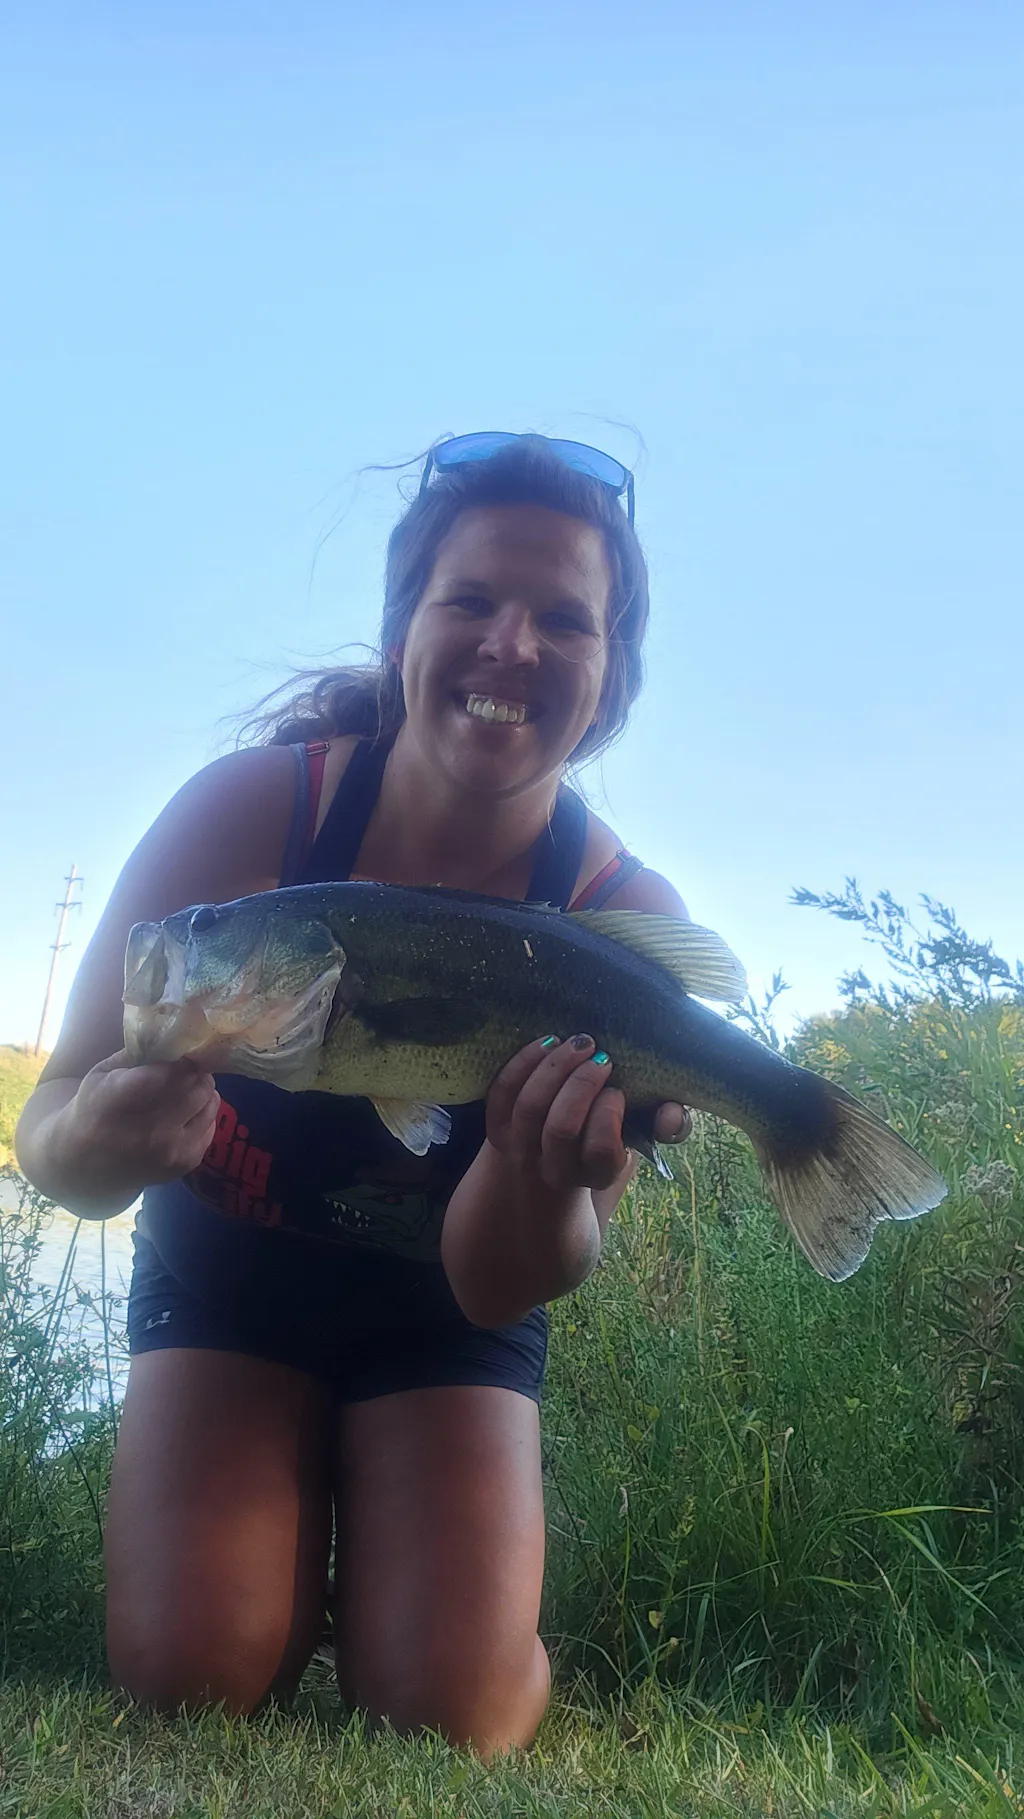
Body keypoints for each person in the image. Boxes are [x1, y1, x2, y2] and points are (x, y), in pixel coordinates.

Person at [16, 433, 692, 1758]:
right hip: (230, 1285)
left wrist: (540, 1169)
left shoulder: (621, 920)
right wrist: (98, 1135)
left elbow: (506, 1284)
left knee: (453, 1715)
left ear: (610, 677)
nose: (513, 643)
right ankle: (296, 1551)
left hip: (443, 1315)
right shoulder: (249, 818)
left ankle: (440, 1595)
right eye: (469, 599)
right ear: (402, 634)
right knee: (189, 1675)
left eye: (565, 620)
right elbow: (53, 1147)